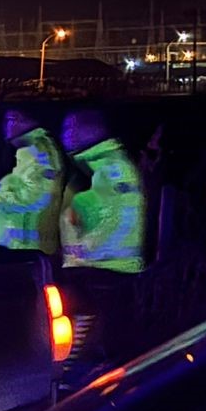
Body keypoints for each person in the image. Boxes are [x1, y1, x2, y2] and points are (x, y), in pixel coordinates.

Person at [59, 108, 147, 366]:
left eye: (71, 128)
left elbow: (114, 212)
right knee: (102, 339)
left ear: (91, 130)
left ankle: (79, 390)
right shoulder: (97, 162)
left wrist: (82, 245)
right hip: (97, 269)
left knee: (95, 342)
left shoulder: (109, 165)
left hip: (102, 270)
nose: (66, 135)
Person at [0, 108, 66, 256]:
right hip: (20, 250)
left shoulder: (39, 151)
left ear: (30, 121)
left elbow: (35, 197)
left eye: (12, 119)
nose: (6, 126)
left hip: (30, 252)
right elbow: (23, 186)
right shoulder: (28, 152)